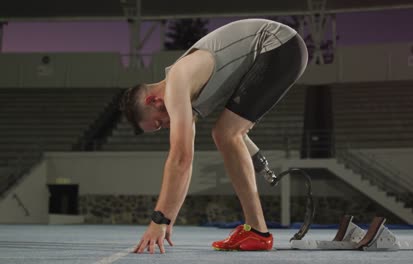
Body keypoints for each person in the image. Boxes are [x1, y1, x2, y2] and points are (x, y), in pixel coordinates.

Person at [120, 18, 308, 254]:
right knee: (224, 133)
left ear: (153, 100)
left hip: (280, 45)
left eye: (159, 123)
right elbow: (186, 163)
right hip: (279, 49)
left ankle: (258, 232)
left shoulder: (177, 81)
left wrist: (158, 220)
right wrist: (169, 217)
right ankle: (254, 228)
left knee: (227, 133)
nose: (165, 126)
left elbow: (180, 159)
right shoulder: (187, 93)